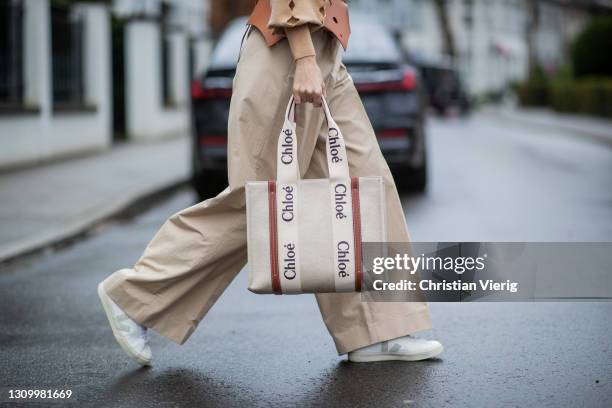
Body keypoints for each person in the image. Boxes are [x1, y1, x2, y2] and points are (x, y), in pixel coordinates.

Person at [97, 0, 443, 366]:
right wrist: (304, 57)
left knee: (367, 182)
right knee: (258, 203)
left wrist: (317, 57)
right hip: (289, 50)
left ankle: (375, 331)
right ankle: (135, 297)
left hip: (326, 50)